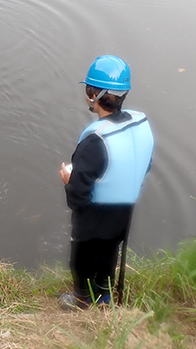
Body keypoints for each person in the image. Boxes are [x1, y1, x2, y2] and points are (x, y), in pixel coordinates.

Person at [59, 55, 154, 310]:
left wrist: (69, 180)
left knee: (82, 256)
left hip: (94, 215)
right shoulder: (141, 123)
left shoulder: (95, 140)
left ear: (92, 94)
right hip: (124, 213)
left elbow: (77, 197)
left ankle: (81, 297)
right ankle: (104, 295)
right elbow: (146, 164)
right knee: (110, 252)